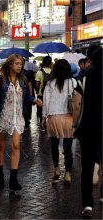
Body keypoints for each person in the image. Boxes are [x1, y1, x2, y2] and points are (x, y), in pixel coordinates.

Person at [0, 54, 42, 192]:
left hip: (18, 118)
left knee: (16, 146)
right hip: (3, 117)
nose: (19, 66)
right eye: (17, 63)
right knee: (1, 146)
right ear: (10, 64)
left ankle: (13, 179)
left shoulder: (22, 80)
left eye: (20, 64)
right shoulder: (1, 80)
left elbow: (27, 97)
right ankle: (0, 173)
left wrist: (34, 100)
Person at [72, 46, 102, 217]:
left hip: (88, 128)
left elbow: (77, 105)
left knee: (87, 167)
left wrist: (75, 124)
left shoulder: (83, 78)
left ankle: (87, 205)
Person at [41, 59, 77, 184]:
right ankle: (67, 173)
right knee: (67, 147)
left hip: (53, 117)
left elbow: (46, 102)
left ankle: (56, 169)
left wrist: (44, 117)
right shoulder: (73, 82)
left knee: (54, 145)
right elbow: (77, 102)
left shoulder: (50, 83)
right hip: (68, 117)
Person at [35, 56, 52, 129]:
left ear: (43, 63)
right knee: (50, 109)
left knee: (41, 110)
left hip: (41, 94)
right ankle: (50, 125)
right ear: (50, 63)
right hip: (51, 94)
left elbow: (37, 84)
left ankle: (42, 126)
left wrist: (38, 92)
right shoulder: (53, 71)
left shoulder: (39, 72)